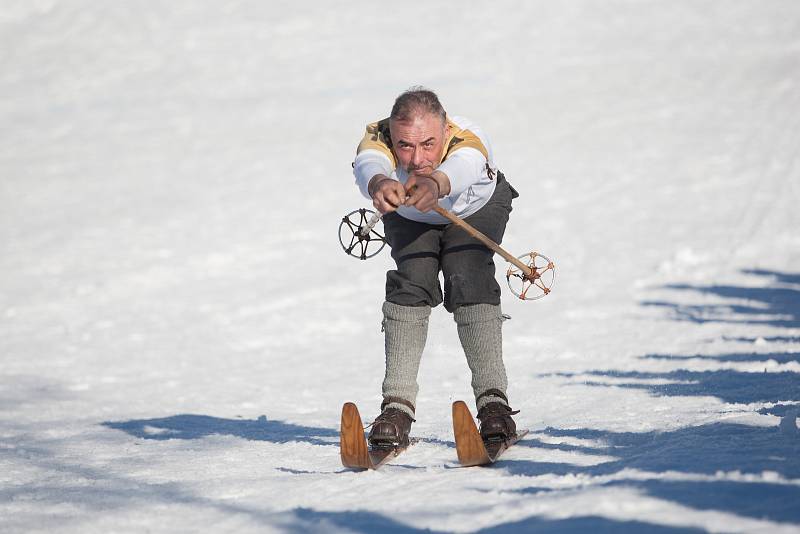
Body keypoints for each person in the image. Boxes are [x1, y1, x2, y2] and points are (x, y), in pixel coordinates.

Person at [352, 87, 520, 448]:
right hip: (412, 217)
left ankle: (494, 404)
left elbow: (464, 165)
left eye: (428, 144)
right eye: (405, 146)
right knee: (410, 282)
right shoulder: (378, 135)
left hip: (477, 209)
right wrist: (380, 182)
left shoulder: (467, 138)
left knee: (466, 271)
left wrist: (435, 182)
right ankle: (396, 407)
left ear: (445, 132)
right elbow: (368, 161)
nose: (416, 158)